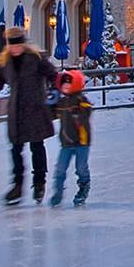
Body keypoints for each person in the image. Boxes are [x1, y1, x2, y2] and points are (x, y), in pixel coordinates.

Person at [0, 26, 58, 205]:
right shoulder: (6, 62)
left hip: (35, 108)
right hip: (17, 111)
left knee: (37, 146)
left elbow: (53, 75)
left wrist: (55, 90)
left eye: (18, 45)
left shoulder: (37, 59)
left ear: (24, 44)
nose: (15, 49)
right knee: (15, 149)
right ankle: (17, 186)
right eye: (12, 46)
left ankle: (39, 182)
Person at [50, 70, 93, 207]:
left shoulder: (82, 100)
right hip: (66, 142)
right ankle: (58, 192)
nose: (66, 87)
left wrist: (78, 113)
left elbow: (87, 111)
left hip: (82, 141)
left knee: (81, 168)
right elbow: (53, 114)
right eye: (64, 84)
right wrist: (49, 105)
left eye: (69, 84)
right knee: (60, 168)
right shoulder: (62, 102)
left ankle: (83, 187)